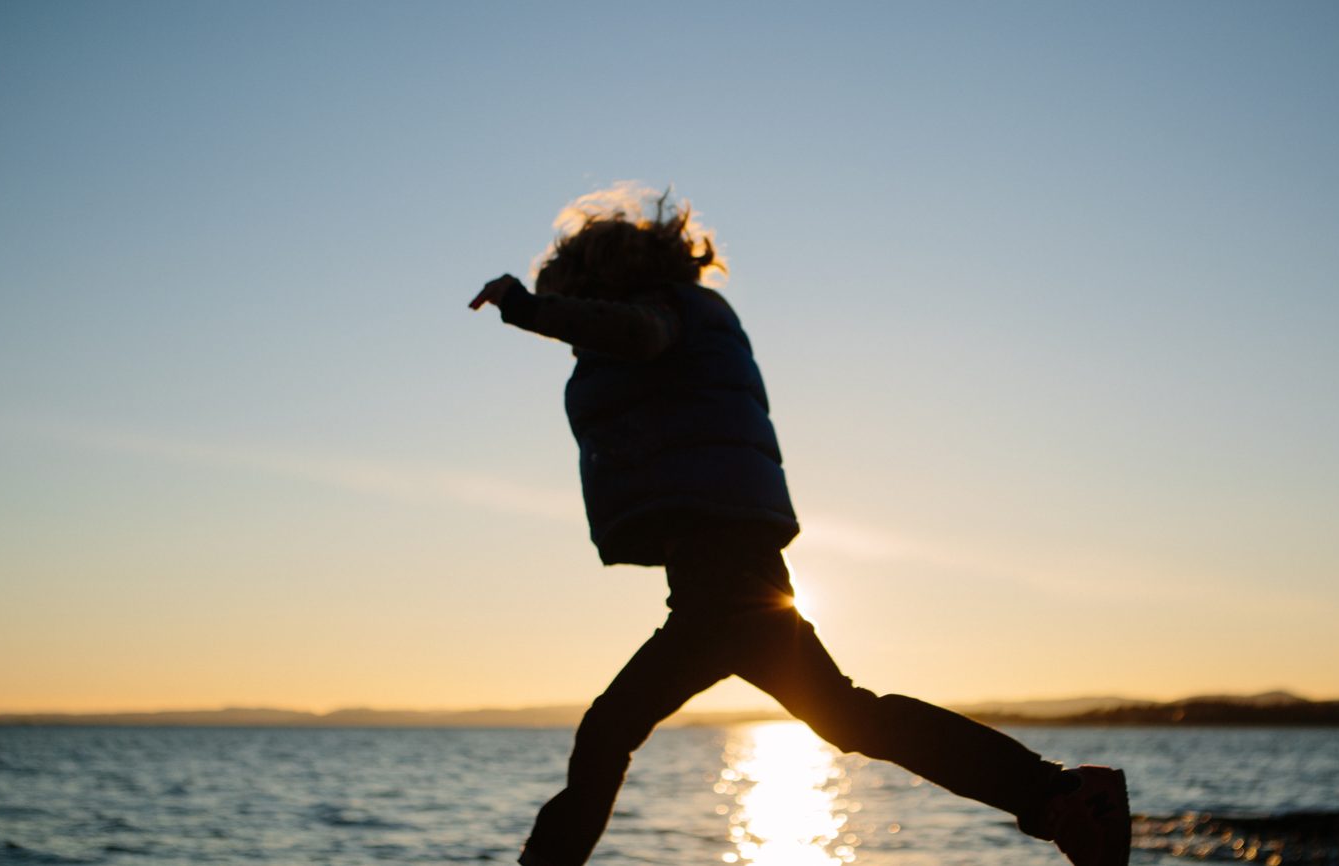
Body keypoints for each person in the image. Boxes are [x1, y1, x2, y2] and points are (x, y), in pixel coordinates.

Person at [469, 185, 1129, 866]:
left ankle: (1062, 796)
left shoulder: (664, 313)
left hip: (722, 571)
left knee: (612, 731)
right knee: (845, 717)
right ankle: (1065, 797)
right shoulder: (690, 314)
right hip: (727, 566)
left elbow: (635, 335)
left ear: (604, 277)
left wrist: (528, 308)